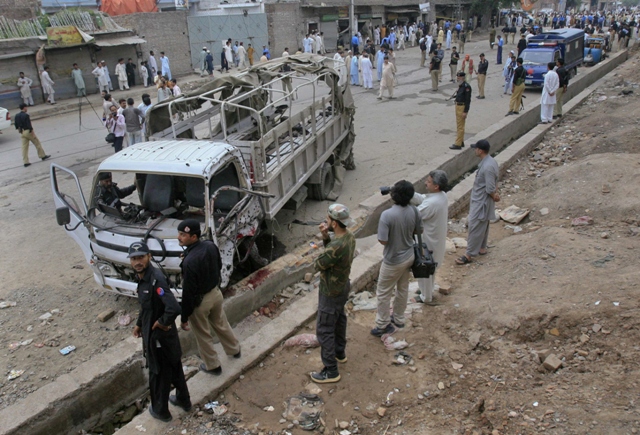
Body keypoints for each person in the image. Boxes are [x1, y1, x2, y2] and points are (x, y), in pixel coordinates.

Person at [129, 241, 191, 422]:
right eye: (134, 258)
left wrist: (161, 323)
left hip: (159, 339)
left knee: (158, 375)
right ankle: (183, 400)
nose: (137, 262)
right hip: (161, 336)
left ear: (149, 256)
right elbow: (146, 306)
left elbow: (173, 307)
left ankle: (160, 410)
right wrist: (140, 324)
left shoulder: (155, 280)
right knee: (175, 368)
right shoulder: (142, 278)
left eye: (141, 257)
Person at [178, 219, 241, 376]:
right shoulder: (209, 245)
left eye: (183, 235)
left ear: (193, 237)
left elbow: (188, 292)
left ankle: (213, 366)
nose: (179, 237)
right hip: (215, 293)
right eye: (179, 234)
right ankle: (234, 349)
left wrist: (184, 316)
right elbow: (219, 265)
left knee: (203, 335)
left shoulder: (189, 262)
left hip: (200, 303)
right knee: (221, 322)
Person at [309, 204, 356, 384]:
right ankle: (339, 352)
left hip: (330, 291)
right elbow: (334, 255)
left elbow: (319, 264)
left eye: (328, 220)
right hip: (343, 286)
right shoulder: (349, 237)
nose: (326, 222)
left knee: (324, 329)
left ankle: (331, 370)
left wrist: (325, 241)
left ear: (335, 224)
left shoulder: (336, 245)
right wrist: (325, 237)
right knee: (339, 319)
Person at [371, 180, 420, 337]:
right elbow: (419, 230)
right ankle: (398, 318)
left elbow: (383, 240)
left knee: (383, 292)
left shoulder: (387, 215)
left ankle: (383, 325)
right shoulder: (414, 210)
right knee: (402, 288)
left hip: (393, 260)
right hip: (409, 256)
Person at [456, 140, 500, 265]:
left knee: (475, 225)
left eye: (476, 149)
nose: (475, 150)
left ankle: (469, 254)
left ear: (480, 150)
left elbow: (490, 188)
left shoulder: (487, 167)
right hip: (482, 200)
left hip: (481, 201)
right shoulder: (491, 162)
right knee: (483, 224)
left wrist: (494, 195)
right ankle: (482, 248)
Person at [410, 170, 449, 304]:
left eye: (429, 181)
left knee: (425, 269)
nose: (426, 183)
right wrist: (410, 194)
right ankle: (426, 291)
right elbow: (423, 199)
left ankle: (426, 297)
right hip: (436, 239)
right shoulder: (441, 196)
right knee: (431, 269)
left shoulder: (432, 204)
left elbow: (414, 215)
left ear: (436, 186)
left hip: (429, 241)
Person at [449, 71, 472, 150]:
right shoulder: (461, 86)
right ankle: (461, 141)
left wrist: (465, 111)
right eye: (457, 77)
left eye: (459, 77)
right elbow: (460, 95)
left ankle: (458, 144)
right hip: (458, 106)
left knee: (460, 126)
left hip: (462, 107)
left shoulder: (466, 87)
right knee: (459, 124)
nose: (458, 78)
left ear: (463, 78)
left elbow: (468, 100)